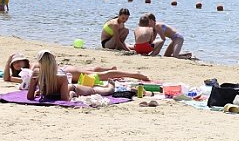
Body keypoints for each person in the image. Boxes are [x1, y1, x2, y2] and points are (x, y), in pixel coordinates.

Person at [4, 52, 149, 85]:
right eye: (14, 64)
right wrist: (8, 61)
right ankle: (122, 72)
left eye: (19, 62)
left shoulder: (32, 67)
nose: (17, 65)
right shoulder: (24, 75)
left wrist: (10, 59)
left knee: (102, 76)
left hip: (66, 73)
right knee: (94, 71)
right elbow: (8, 78)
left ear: (24, 61)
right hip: (66, 72)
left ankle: (135, 74)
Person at [26, 50, 115, 101]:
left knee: (94, 87)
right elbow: (65, 99)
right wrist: (72, 94)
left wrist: (42, 91)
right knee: (93, 90)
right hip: (72, 88)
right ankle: (110, 88)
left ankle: (108, 86)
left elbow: (29, 97)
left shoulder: (36, 73)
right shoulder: (61, 77)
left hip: (64, 89)